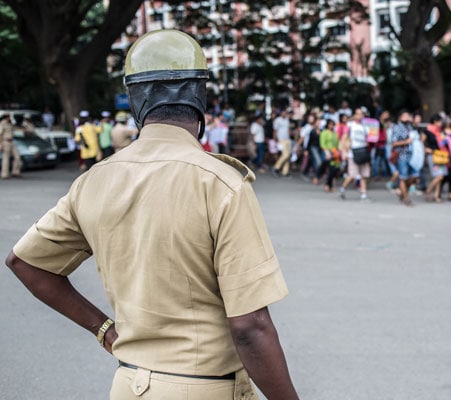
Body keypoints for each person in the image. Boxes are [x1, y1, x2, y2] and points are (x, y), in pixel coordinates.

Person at [5, 30, 299, 400]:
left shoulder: (94, 180)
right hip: (206, 388)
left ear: (134, 99)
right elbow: (250, 327)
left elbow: (26, 262)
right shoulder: (221, 183)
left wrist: (104, 330)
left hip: (129, 385)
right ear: (200, 96)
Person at [339, 108, 371, 201]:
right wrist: (343, 151)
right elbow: (344, 138)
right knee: (352, 175)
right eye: (358, 114)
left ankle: (363, 194)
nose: (360, 116)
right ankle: (343, 188)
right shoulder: (350, 125)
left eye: (361, 114)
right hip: (352, 153)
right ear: (355, 115)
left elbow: (368, 139)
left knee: (363, 175)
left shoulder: (366, 127)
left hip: (363, 152)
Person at [391, 111, 416, 206]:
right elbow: (393, 143)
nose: (407, 117)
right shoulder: (397, 128)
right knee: (403, 177)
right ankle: (406, 198)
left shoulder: (410, 127)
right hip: (402, 155)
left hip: (412, 156)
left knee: (414, 177)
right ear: (400, 117)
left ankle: (402, 193)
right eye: (405, 116)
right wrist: (406, 141)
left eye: (408, 115)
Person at [272, 109, 292, 177]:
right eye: (283, 112)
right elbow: (275, 130)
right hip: (281, 140)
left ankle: (285, 172)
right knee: (285, 155)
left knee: (288, 156)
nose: (284, 113)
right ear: (281, 113)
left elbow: (288, 129)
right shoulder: (277, 120)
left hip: (288, 139)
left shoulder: (287, 120)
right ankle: (276, 167)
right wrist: (275, 140)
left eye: (285, 112)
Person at [1, 113, 21, 179]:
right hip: (5, 141)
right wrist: (0, 144)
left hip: (12, 142)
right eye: (9, 117)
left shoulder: (10, 124)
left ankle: (15, 172)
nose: (10, 118)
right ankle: (4, 174)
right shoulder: (2, 124)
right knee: (6, 158)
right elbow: (0, 134)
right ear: (6, 117)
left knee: (17, 156)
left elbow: (15, 129)